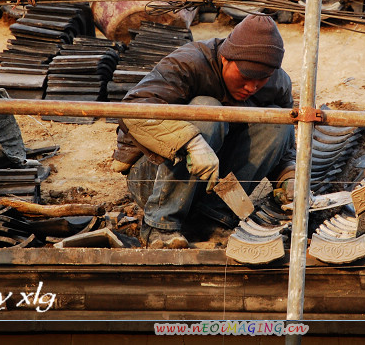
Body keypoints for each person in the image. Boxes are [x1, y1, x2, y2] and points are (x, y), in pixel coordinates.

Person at [111, 14, 297, 249]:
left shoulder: (278, 84)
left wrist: (289, 177)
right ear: (225, 58)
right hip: (153, 178)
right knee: (208, 109)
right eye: (245, 76)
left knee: (278, 123)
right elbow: (131, 110)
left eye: (262, 80)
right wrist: (191, 142)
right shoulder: (188, 63)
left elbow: (286, 145)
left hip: (212, 185)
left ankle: (211, 221)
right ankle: (160, 225)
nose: (252, 87)